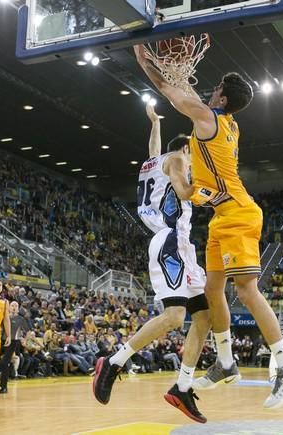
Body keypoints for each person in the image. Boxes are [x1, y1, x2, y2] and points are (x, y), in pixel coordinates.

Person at [134, 44, 283, 409]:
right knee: (212, 291)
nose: (208, 93)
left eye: (214, 91)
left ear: (221, 96)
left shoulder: (209, 120)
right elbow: (188, 95)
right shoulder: (226, 122)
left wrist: (147, 63)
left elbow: (172, 93)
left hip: (238, 213)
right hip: (221, 217)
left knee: (246, 291)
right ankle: (225, 361)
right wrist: (169, 68)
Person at [93, 103, 211, 423]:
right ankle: (114, 362)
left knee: (204, 317)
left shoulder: (154, 162)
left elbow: (154, 149)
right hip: (170, 241)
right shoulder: (178, 160)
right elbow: (186, 193)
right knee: (175, 317)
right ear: (186, 149)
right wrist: (212, 188)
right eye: (194, 152)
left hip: (181, 247)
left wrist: (154, 123)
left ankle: (182, 387)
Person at [0, 301, 29, 394]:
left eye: (16, 305)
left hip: (13, 342)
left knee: (4, 363)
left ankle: (4, 386)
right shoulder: (4, 316)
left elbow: (28, 331)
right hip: (1, 341)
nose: (14, 307)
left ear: (18, 308)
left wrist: (25, 340)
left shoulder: (21, 319)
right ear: (9, 307)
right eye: (12, 305)